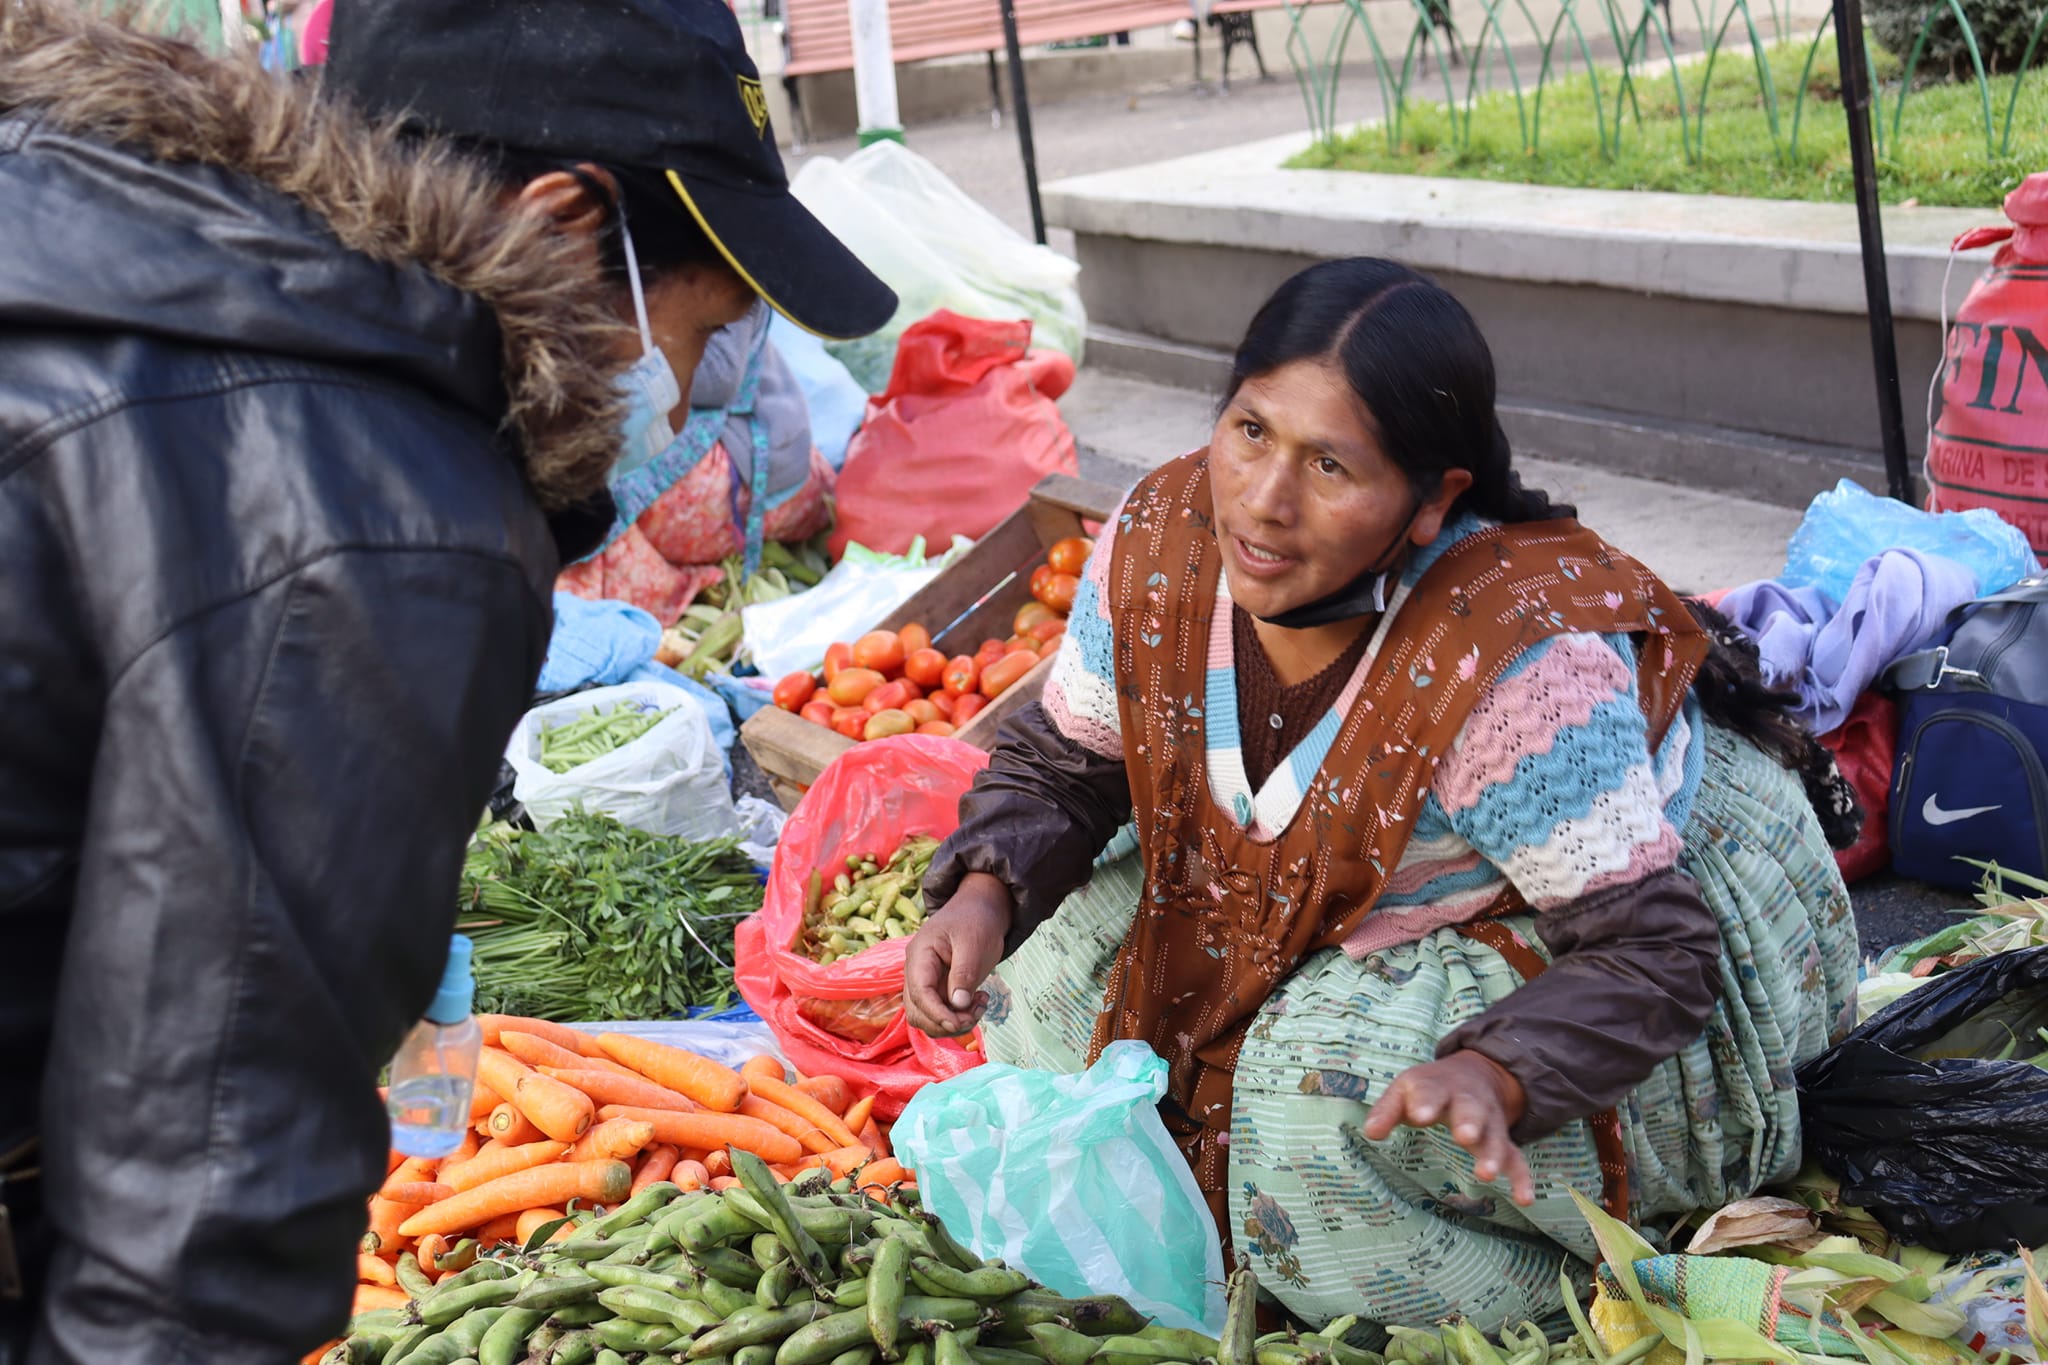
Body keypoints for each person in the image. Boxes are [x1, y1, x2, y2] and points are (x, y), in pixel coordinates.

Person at [0, 0, 892, 1359]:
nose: (714, 383)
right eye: (716, 327)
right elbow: (203, 1196)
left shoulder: (86, 219)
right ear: (561, 224)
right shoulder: (377, 499)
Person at [904, 259, 1859, 1333]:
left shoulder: (1505, 664)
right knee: (1035, 978)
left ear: (1430, 499)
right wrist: (986, 891)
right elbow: (1073, 760)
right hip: (1315, 882)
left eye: (1330, 466)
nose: (1264, 502)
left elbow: (1651, 953)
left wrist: (1498, 1072)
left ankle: (1563, 1299)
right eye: (1250, 431)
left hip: (1582, 914)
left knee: (1309, 1107)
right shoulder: (1159, 541)